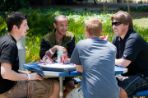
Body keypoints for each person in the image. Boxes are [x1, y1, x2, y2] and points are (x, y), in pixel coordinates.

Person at [0, 12, 59, 98]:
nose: (28, 28)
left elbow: (10, 68)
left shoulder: (4, 39)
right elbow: (5, 73)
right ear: (15, 27)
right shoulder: (10, 45)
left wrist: (31, 69)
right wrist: (29, 76)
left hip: (7, 86)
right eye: (25, 25)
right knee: (55, 85)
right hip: (7, 90)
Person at [70, 17, 119, 98]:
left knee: (66, 95)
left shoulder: (81, 44)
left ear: (86, 31)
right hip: (113, 94)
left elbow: (79, 69)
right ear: (101, 31)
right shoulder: (112, 47)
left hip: (91, 94)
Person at [111, 10, 148, 98]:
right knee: (105, 85)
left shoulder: (133, 39)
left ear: (126, 24)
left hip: (144, 76)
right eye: (112, 24)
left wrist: (110, 59)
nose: (114, 26)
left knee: (119, 92)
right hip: (127, 75)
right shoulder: (117, 38)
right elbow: (109, 56)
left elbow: (124, 63)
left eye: (117, 24)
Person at [39, 15, 75, 97]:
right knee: (55, 89)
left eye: (66, 25)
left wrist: (65, 56)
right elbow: (42, 57)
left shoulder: (70, 37)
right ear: (55, 25)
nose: (65, 28)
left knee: (71, 88)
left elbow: (72, 55)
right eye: (61, 25)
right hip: (51, 73)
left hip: (66, 72)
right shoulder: (46, 39)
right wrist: (54, 48)